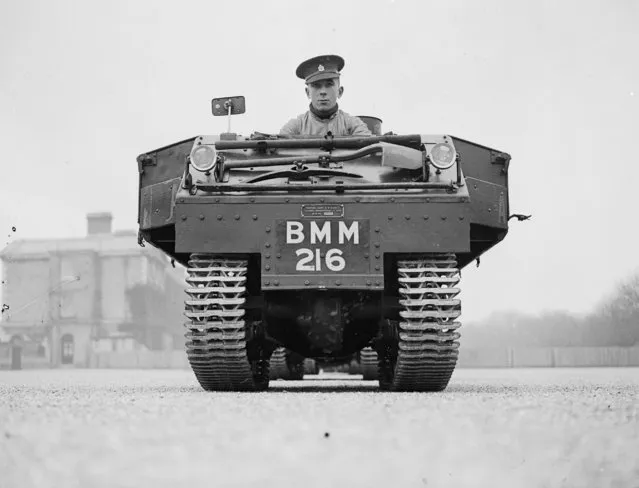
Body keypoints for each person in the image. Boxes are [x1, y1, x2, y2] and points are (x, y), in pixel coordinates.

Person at [279, 55, 372, 137]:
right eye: (316, 85)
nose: (323, 92)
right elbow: (277, 149)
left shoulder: (353, 125)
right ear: (307, 93)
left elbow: (370, 149)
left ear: (340, 92)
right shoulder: (295, 127)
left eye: (329, 85)